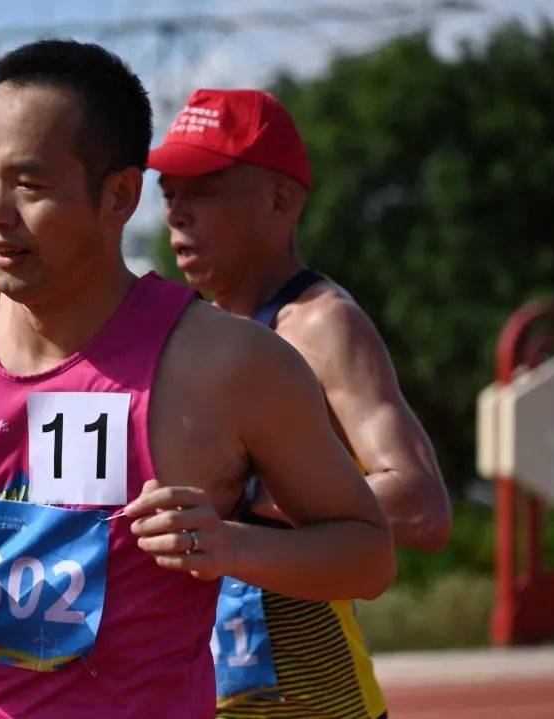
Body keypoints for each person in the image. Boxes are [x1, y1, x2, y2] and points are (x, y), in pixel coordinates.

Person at [0, 42, 395, 719]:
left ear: (118, 195)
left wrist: (231, 545)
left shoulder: (229, 365)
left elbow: (368, 556)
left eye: (29, 185)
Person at [149, 88, 452, 719]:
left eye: (201, 189)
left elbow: (422, 505)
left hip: (309, 697)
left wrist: (252, 499)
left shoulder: (320, 324)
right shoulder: (190, 334)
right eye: (169, 193)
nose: (177, 214)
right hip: (202, 688)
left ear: (280, 200)